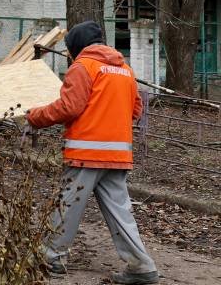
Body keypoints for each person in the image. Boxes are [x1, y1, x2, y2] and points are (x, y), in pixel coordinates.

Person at [26, 21, 158, 283]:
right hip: (118, 155)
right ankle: (141, 265)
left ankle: (51, 256)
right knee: (120, 212)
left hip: (86, 153)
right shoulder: (125, 70)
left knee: (68, 204)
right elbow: (136, 110)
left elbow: (69, 107)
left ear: (77, 45)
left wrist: (35, 117)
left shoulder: (82, 67)